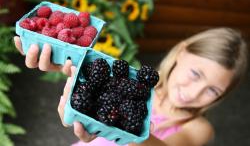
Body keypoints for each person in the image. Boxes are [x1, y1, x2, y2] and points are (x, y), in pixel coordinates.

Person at [14, 27, 248, 146]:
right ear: (181, 52)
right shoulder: (134, 85)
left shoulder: (198, 128)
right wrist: (74, 72)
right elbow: (93, 91)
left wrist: (134, 132)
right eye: (196, 74)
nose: (194, 92)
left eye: (213, 90)